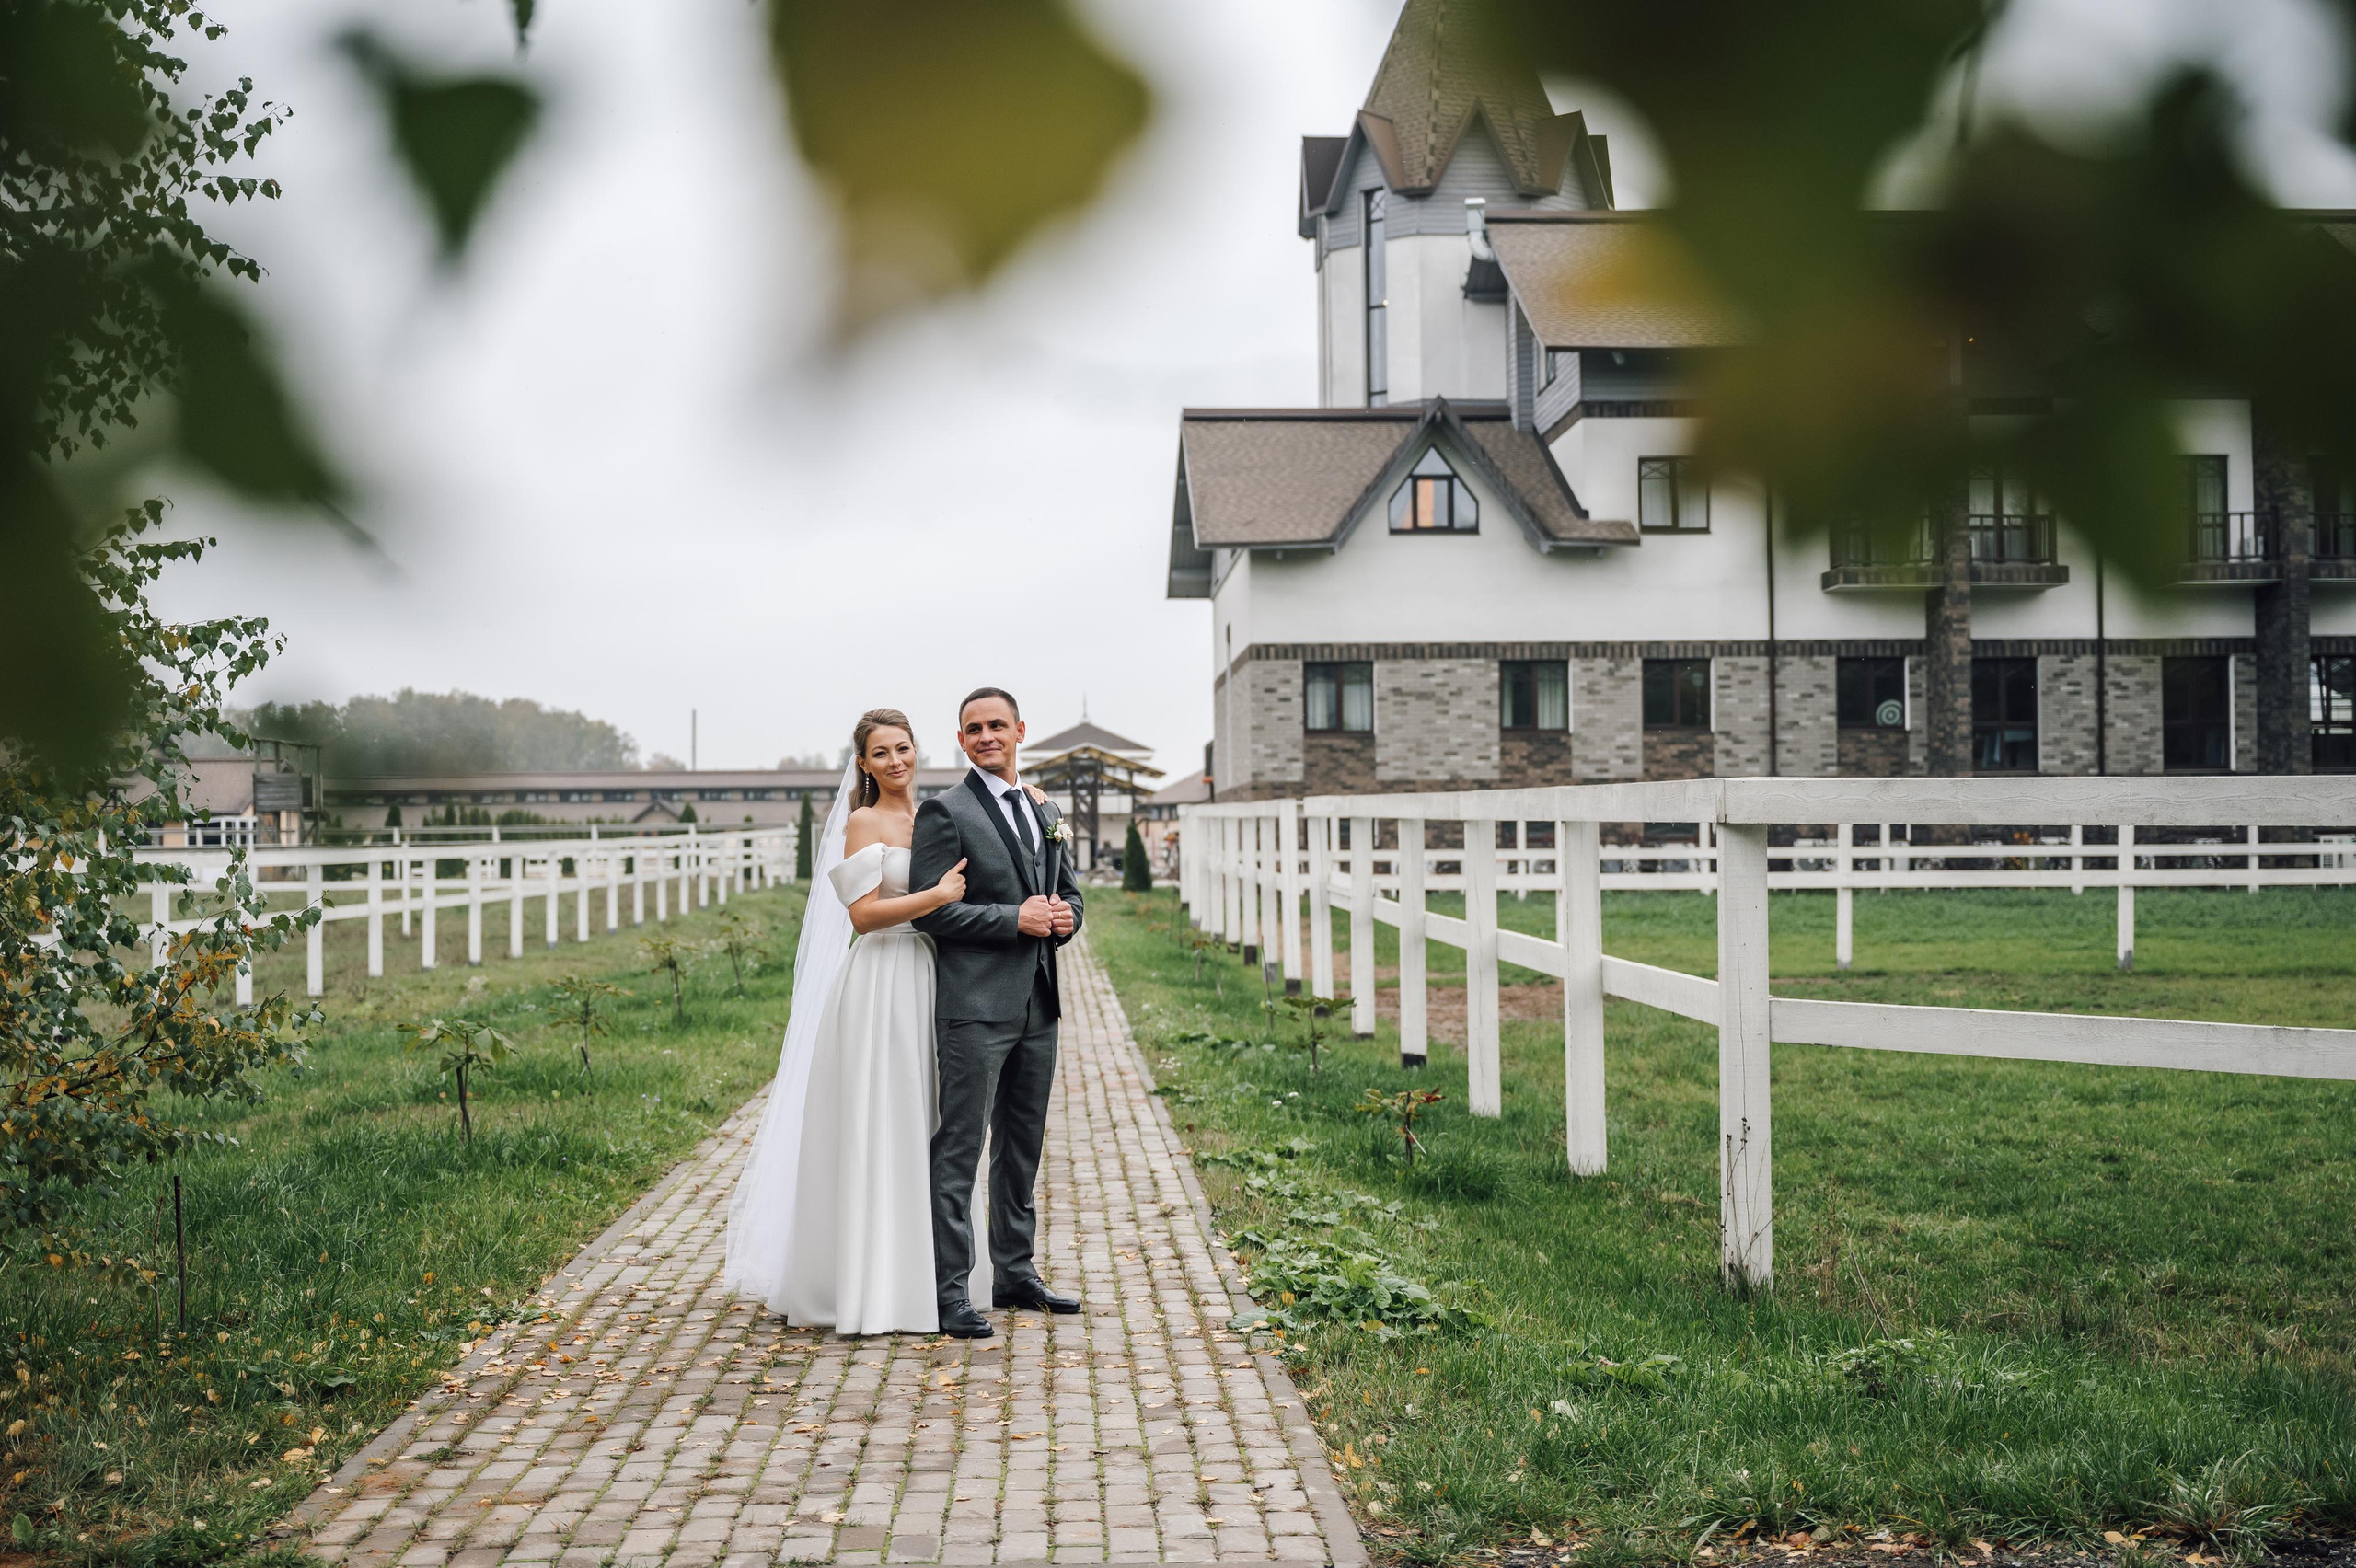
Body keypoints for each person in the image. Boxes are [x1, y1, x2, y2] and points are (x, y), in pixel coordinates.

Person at [722, 707, 1047, 1335]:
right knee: (884, 1121)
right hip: (882, 978)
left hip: (935, 978)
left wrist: (1029, 802)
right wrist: (935, 897)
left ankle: (932, 1277)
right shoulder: (864, 821)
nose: (896, 761)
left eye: (904, 748)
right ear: (864, 764)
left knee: (933, 1123)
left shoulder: (939, 812)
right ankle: (872, 1280)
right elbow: (864, 915)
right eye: (882, 753)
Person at [909, 687, 1086, 1341]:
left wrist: (1066, 918)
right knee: (960, 1148)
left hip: (1039, 1003)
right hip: (974, 1009)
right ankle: (950, 1291)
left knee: (1023, 1148)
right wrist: (1014, 918)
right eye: (972, 728)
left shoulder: (1047, 808)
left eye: (996, 726)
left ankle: (1015, 1272)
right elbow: (928, 911)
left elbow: (1067, 892)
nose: (986, 736)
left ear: (1019, 730)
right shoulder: (945, 812)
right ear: (961, 741)